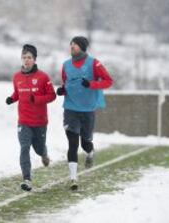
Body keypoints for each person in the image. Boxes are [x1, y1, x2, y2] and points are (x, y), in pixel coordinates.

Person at [56, 36, 113, 190]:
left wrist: (91, 84)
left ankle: (90, 152)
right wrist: (62, 90)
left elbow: (108, 81)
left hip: (87, 109)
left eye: (74, 44)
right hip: (70, 108)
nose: (71, 46)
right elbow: (65, 83)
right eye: (70, 44)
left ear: (82, 47)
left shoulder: (94, 63)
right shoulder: (66, 65)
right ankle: (73, 178)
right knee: (72, 143)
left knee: (85, 143)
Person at [6, 44, 56, 191]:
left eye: (29, 57)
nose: (26, 60)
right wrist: (11, 98)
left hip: (40, 121)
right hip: (24, 121)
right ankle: (27, 179)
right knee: (24, 148)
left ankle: (44, 153)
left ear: (34, 60)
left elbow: (52, 95)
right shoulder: (17, 77)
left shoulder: (43, 77)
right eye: (24, 57)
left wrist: (37, 99)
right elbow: (18, 93)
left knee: (38, 149)